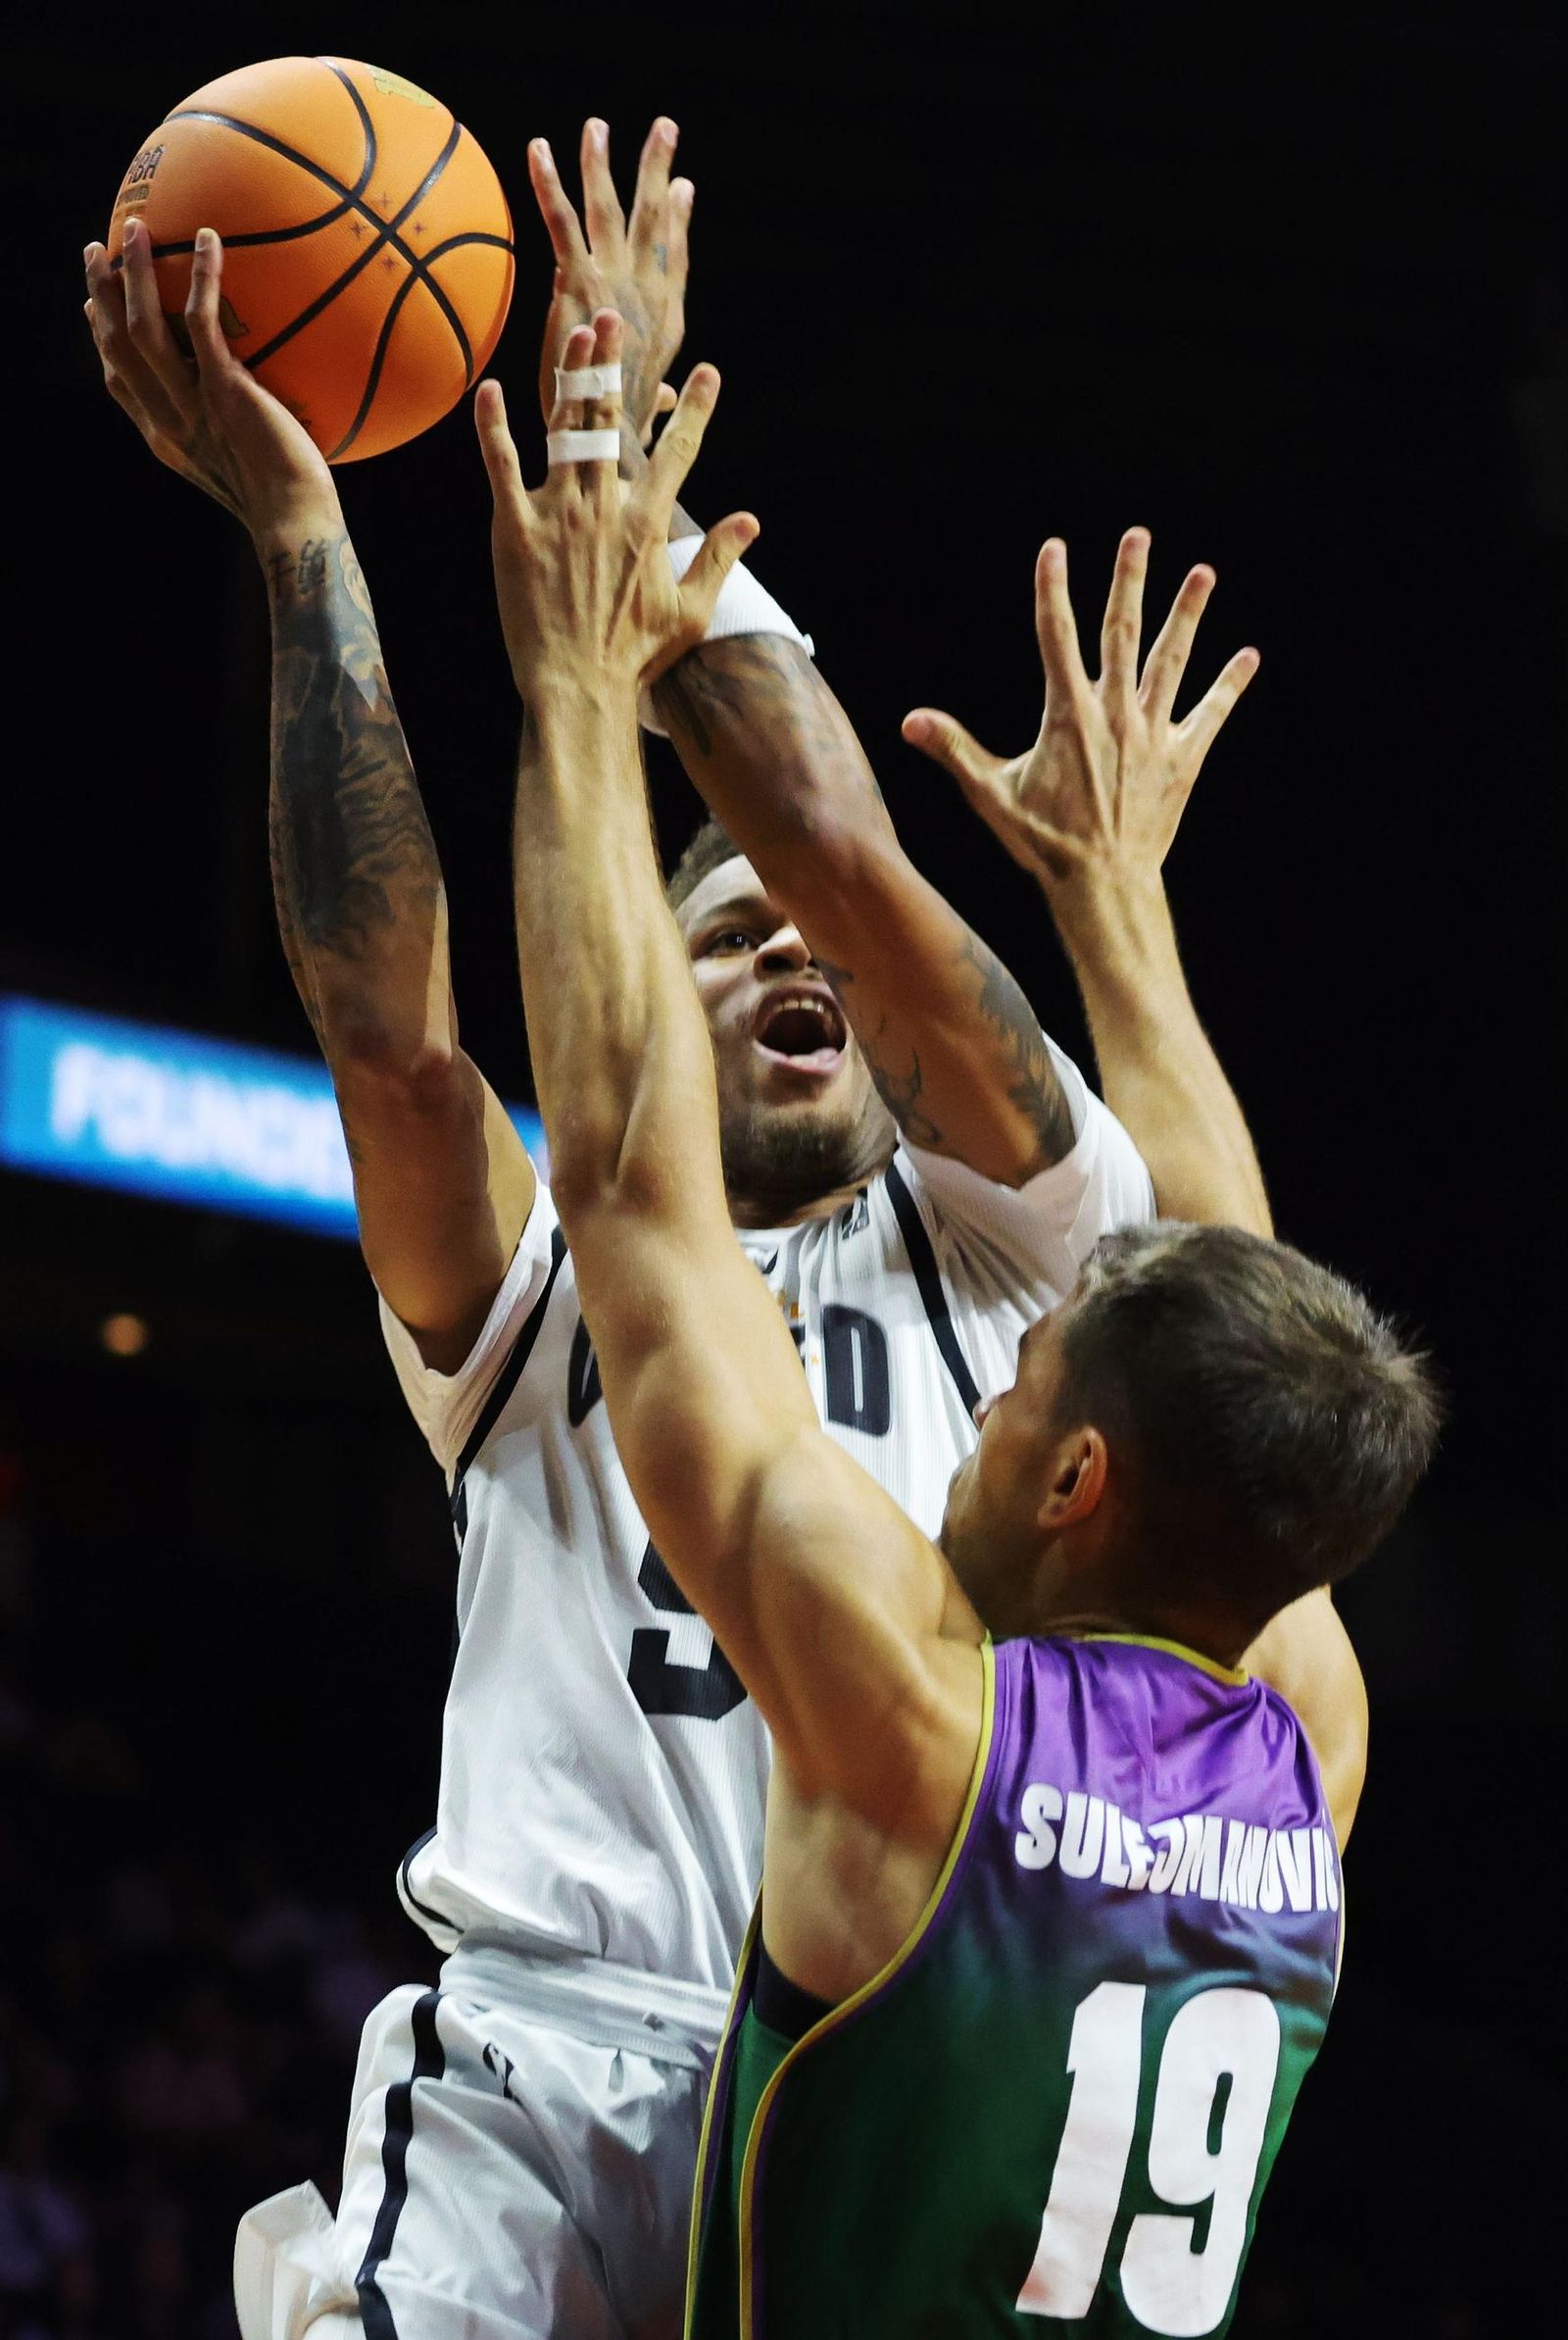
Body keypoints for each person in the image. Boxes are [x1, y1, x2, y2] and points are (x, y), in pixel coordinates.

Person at [84, 124, 1341, 2338]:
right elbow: (394, 1038)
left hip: (887, 2046)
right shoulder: (551, 1264)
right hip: (553, 2071)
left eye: (808, 949)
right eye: (716, 930)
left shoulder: (1028, 1264)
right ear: (636, 995)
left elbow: (845, 854)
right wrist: (305, 540)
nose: (787, 954)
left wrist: (612, 508)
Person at [478, 309, 1440, 2339]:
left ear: (1082, 1476)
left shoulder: (919, 1729)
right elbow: (1227, 1294)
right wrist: (1110, 896)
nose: (989, 1392)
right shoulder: (1309, 1752)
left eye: (1020, 1387)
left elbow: (632, 1188)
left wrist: (572, 677)